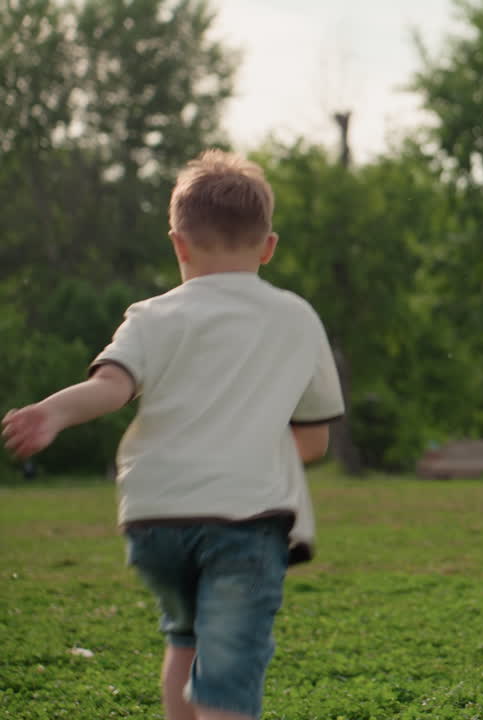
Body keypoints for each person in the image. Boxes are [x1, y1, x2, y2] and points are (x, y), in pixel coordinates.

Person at [2, 150, 343, 720]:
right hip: (244, 519)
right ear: (268, 246)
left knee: (184, 639)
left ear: (178, 244)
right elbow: (313, 442)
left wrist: (53, 413)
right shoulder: (296, 317)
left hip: (154, 519)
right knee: (230, 665)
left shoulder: (152, 316)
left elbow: (112, 386)